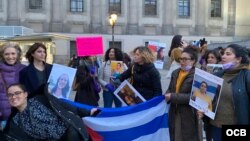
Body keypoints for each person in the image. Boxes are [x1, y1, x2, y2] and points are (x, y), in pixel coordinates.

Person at [3, 83, 98, 141]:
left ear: (25, 94)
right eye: (10, 95)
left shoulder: (40, 99)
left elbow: (63, 105)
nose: (13, 97)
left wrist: (87, 112)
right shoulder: (15, 121)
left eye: (17, 93)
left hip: (71, 131)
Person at [207, 44, 250, 141]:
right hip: (215, 126)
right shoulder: (216, 75)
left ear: (238, 59)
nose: (223, 56)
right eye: (223, 54)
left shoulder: (247, 77)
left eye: (228, 54)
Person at [164, 46, 199, 141]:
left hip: (188, 113)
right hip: (174, 111)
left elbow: (195, 97)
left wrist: (172, 96)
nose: (182, 62)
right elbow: (170, 89)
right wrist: (167, 94)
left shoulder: (198, 75)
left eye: (185, 59)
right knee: (174, 136)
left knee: (186, 137)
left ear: (193, 61)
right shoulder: (175, 72)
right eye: (180, 59)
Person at [0, 42, 26, 130]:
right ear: (2, 55)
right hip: (3, 116)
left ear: (18, 54)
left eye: (13, 53)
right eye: (6, 54)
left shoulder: (24, 69)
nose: (10, 57)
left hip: (21, 114)